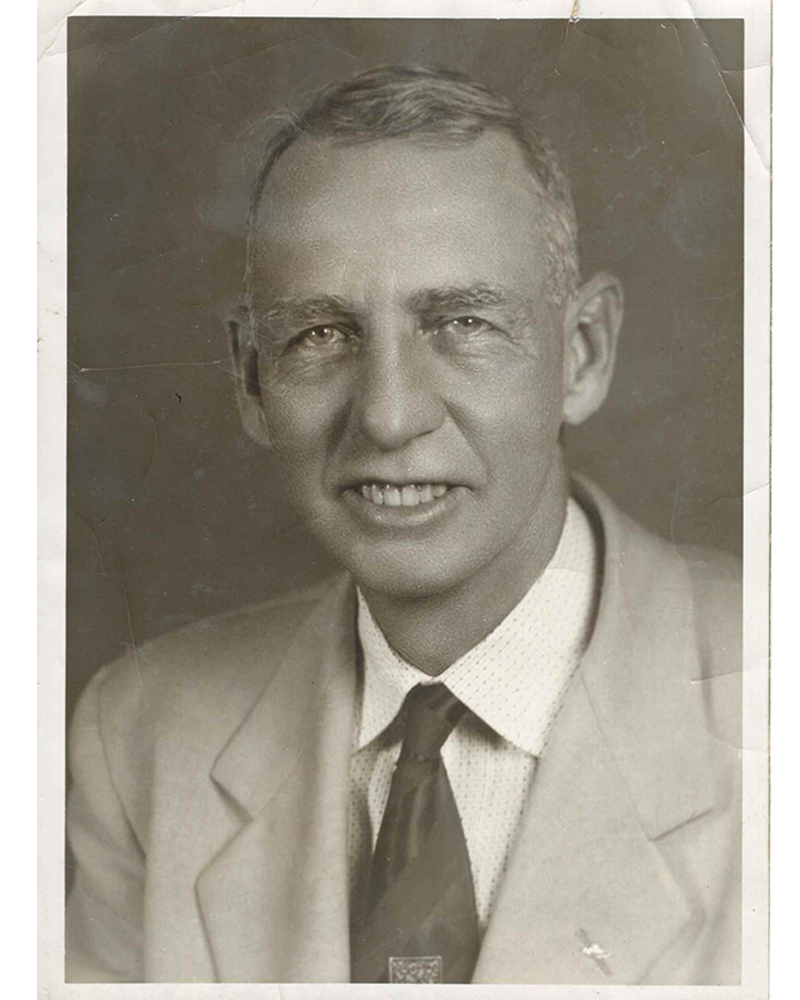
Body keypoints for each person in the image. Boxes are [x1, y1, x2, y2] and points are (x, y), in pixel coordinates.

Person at [66, 65, 742, 985]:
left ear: (582, 353)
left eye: (461, 321)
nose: (388, 417)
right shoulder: (142, 738)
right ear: (250, 378)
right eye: (321, 335)